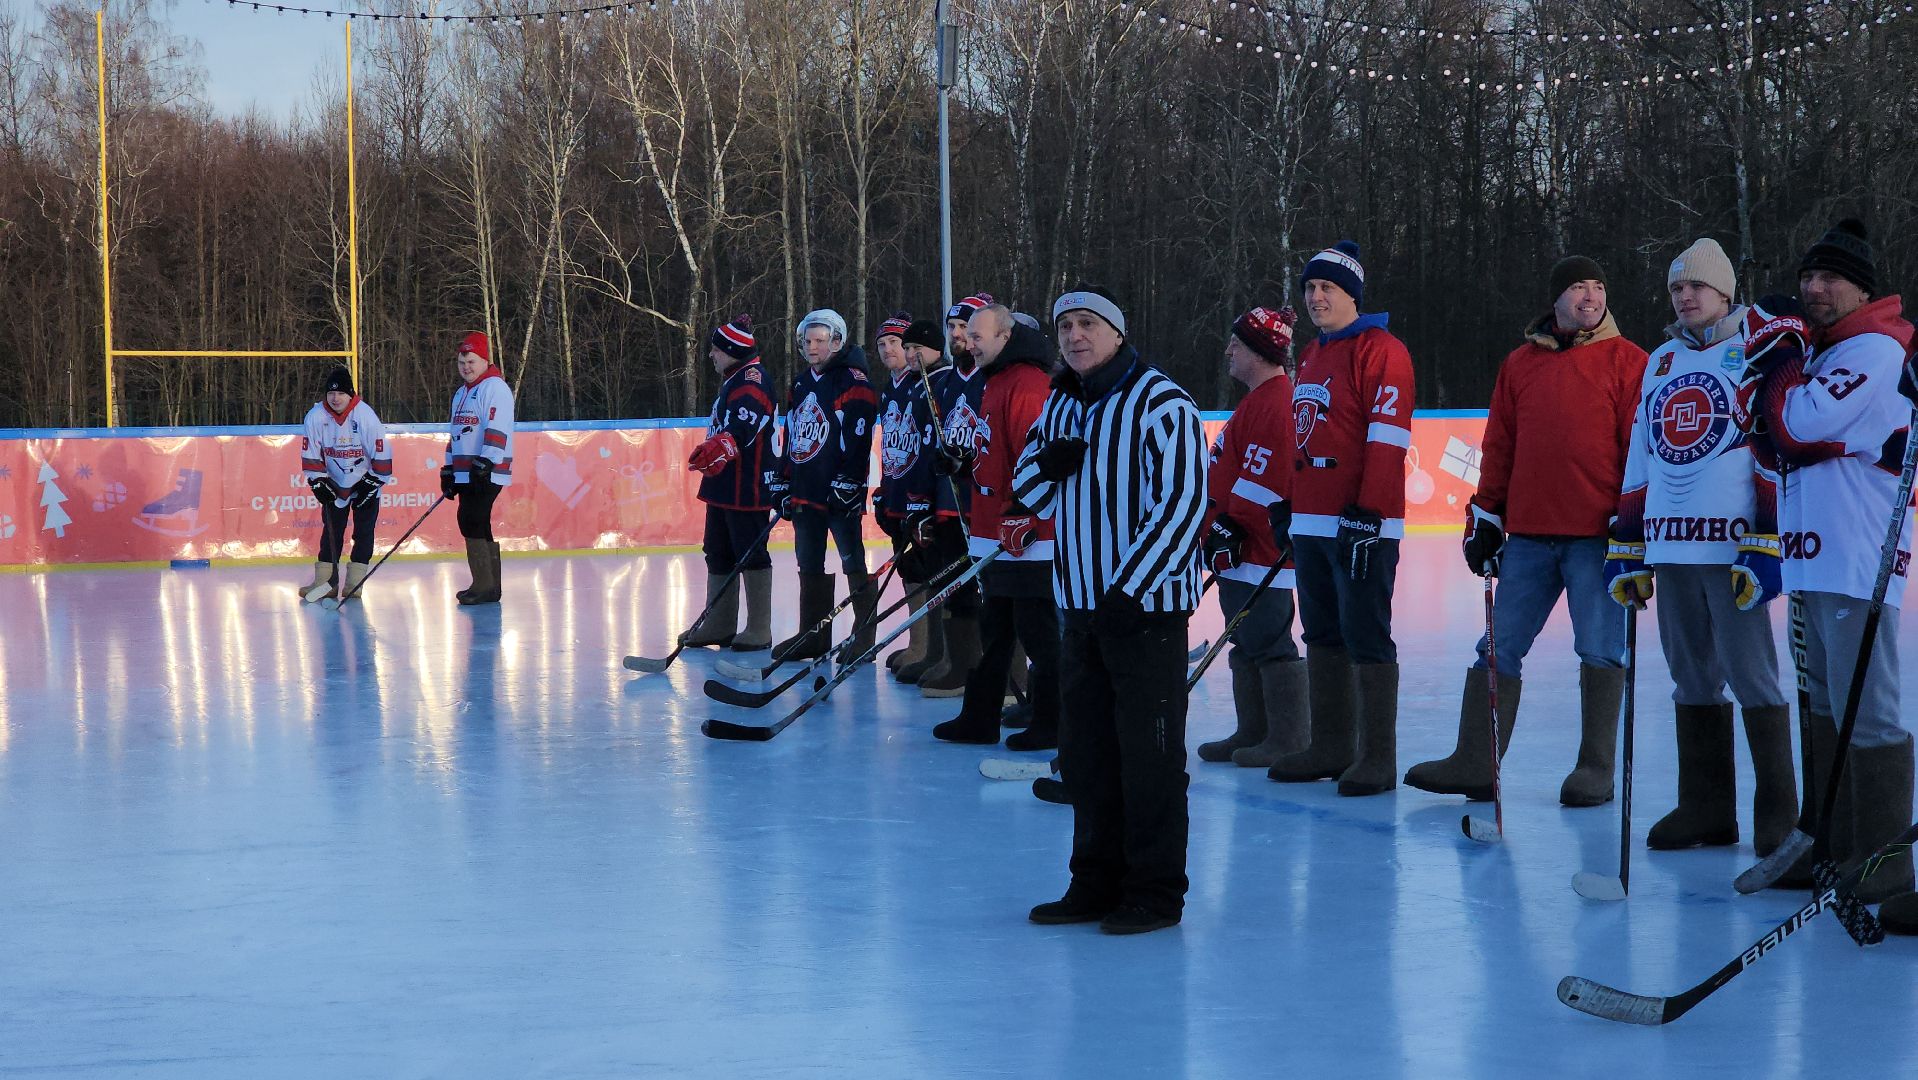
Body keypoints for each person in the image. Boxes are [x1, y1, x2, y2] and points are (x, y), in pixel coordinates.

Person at [1405, 255, 1647, 808]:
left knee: (1600, 650)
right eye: (1578, 287)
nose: (1590, 296)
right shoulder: (1520, 364)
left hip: (1597, 538)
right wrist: (1486, 513)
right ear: (1556, 298)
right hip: (1531, 537)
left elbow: (1640, 446)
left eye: (1598, 287)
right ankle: (1475, 761)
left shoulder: (1629, 361)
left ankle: (1595, 768)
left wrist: (1631, 518)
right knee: (1498, 647)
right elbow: (1501, 444)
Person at [1013, 285, 1208, 934]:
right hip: (1081, 610)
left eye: (1088, 324)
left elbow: (1182, 509)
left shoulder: (1163, 403)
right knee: (1088, 754)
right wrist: (1052, 458)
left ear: (1117, 333)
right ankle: (1093, 883)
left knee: (1148, 760)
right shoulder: (1064, 401)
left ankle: (1154, 893)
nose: (1074, 336)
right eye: (1066, 326)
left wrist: (1131, 590)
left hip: (1145, 613)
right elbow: (1027, 491)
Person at [1743, 218, 1915, 924]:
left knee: (1863, 709)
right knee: (1821, 702)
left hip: (1856, 556)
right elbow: (1765, 434)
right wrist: (1785, 368)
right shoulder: (1825, 349)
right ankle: (1832, 845)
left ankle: (1879, 863)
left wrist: (1780, 366)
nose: (1815, 288)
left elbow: (1796, 427)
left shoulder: (1873, 347)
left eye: (1830, 278)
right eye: (1809, 277)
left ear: (1861, 289)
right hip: (1814, 558)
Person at [1599, 241, 1794, 853]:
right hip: (1669, 546)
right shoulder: (1659, 361)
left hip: (1731, 548)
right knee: (1691, 678)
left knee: (1754, 678)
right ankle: (1706, 807)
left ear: (1725, 293)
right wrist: (1627, 543)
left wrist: (1765, 542)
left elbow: (1770, 449)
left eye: (1697, 288)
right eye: (1677, 289)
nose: (1685, 297)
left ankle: (1778, 816)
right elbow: (1640, 456)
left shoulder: (1756, 351)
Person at [1266, 242, 1414, 796]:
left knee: (1364, 631)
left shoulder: (1381, 349)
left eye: (1327, 288)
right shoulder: (1312, 353)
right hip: (1313, 520)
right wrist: (1290, 503)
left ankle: (1376, 756)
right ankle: (1330, 745)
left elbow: (1388, 435)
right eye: (1310, 288)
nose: (1316, 297)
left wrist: (1369, 513)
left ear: (1352, 294)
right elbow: (1302, 436)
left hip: (1360, 523)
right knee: (1322, 631)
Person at [931, 304, 1059, 751]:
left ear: (1005, 336)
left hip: (1027, 537)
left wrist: (1022, 508)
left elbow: (1034, 457)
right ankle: (980, 715)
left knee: (1038, 631)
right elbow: (997, 452)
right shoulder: (996, 380)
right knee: (996, 629)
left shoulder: (1027, 383)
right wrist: (963, 465)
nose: (968, 342)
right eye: (967, 334)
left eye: (977, 334)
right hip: (994, 529)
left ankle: (1052, 720)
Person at [1195, 306, 1309, 767]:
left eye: (1237, 344)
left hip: (1259, 551)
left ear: (1260, 352)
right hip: (1237, 549)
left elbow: (1270, 481)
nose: (1228, 351)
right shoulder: (1257, 399)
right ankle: (1254, 730)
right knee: (1244, 637)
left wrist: (1232, 525)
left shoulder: (1277, 402)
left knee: (1268, 639)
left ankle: (1288, 738)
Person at [770, 309, 879, 660]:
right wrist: (783, 480)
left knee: (853, 559)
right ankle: (812, 636)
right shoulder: (801, 383)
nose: (812, 346)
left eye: (820, 340)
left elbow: (859, 438)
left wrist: (849, 481)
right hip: (806, 490)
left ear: (836, 341)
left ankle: (864, 636)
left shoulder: (854, 382)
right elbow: (794, 438)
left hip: (838, 492)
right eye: (807, 340)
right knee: (809, 561)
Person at [683, 315, 778, 651]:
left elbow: (743, 427)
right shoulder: (734, 378)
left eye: (715, 350)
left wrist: (720, 445)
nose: (711, 355)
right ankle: (720, 624)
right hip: (723, 486)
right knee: (718, 551)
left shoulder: (752, 381)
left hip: (746, 488)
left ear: (731, 350)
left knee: (750, 553)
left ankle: (759, 629)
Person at [920, 315, 989, 698]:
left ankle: (993, 673)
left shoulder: (994, 377)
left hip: (983, 506)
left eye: (966, 328)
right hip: (948, 504)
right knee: (952, 586)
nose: (957, 335)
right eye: (952, 328)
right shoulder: (945, 382)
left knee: (988, 592)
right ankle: (958, 664)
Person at [872, 312, 936, 674]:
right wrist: (884, 490)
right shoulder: (891, 388)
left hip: (919, 497)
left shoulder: (922, 383)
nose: (889, 351)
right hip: (898, 494)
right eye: (882, 345)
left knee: (925, 569)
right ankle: (919, 643)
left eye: (895, 343)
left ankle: (930, 648)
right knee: (908, 570)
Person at [299, 365, 393, 603]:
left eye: (341, 393)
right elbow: (311, 452)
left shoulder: (365, 415)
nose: (335, 398)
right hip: (335, 481)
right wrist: (317, 481)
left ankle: (355, 584)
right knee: (331, 530)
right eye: (331, 393)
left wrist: (373, 481)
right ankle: (326, 582)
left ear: (350, 394)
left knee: (364, 531)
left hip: (364, 478)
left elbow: (381, 451)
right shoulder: (316, 416)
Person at [441, 331, 514, 606]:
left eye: (471, 362)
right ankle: (489, 587)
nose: (466, 368)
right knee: (473, 520)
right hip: (465, 470)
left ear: (484, 360)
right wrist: (448, 470)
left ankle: (483, 586)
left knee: (472, 517)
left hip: (486, 469)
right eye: (462, 363)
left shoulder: (495, 388)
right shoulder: (462, 393)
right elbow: (456, 434)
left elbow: (499, 426)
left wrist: (486, 461)